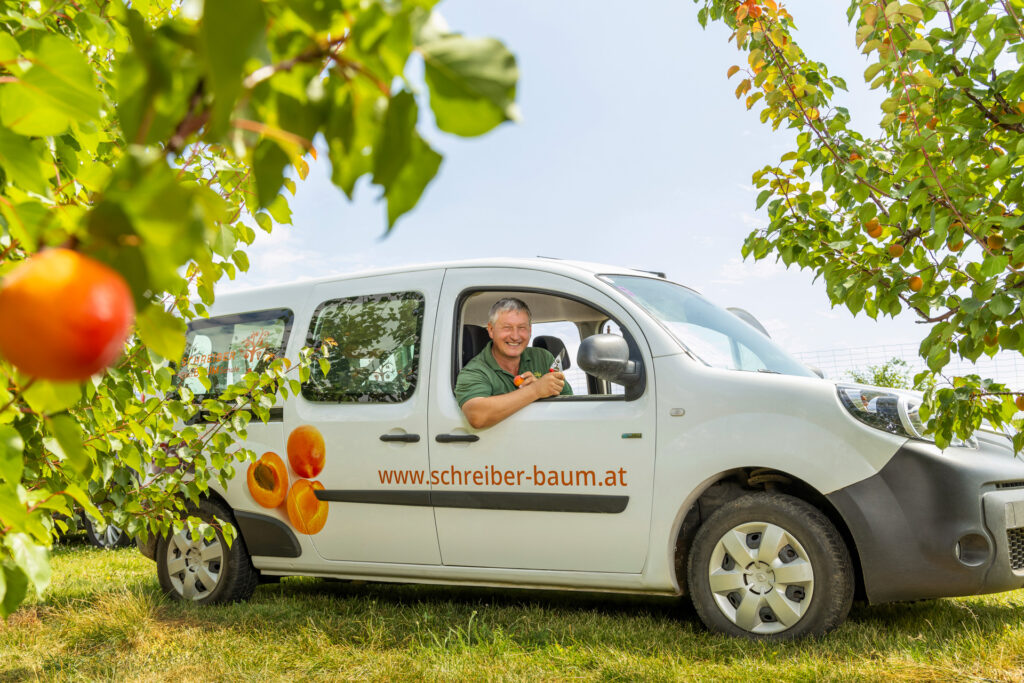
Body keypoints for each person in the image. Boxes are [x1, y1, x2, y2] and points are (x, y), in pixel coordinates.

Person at [456, 297, 572, 428]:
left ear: (530, 330)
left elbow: (569, 405)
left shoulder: (543, 357)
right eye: (507, 327)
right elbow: (477, 416)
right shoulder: (475, 370)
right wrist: (536, 390)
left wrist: (547, 392)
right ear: (491, 330)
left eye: (522, 328)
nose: (515, 336)